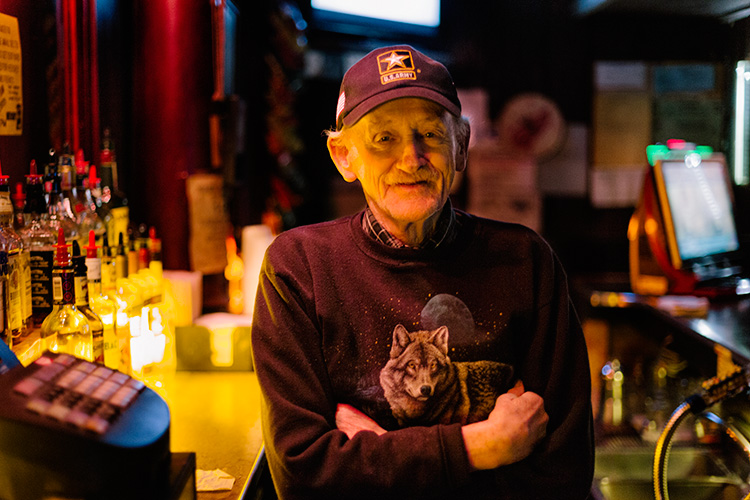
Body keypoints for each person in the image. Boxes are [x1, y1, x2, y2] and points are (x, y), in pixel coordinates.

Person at [250, 44, 594, 499]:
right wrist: (480, 445)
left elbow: (562, 474)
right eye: (383, 138)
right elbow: (304, 475)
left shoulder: (525, 261)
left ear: (460, 145)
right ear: (344, 155)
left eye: (430, 134)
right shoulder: (297, 268)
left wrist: (377, 455)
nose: (412, 158)